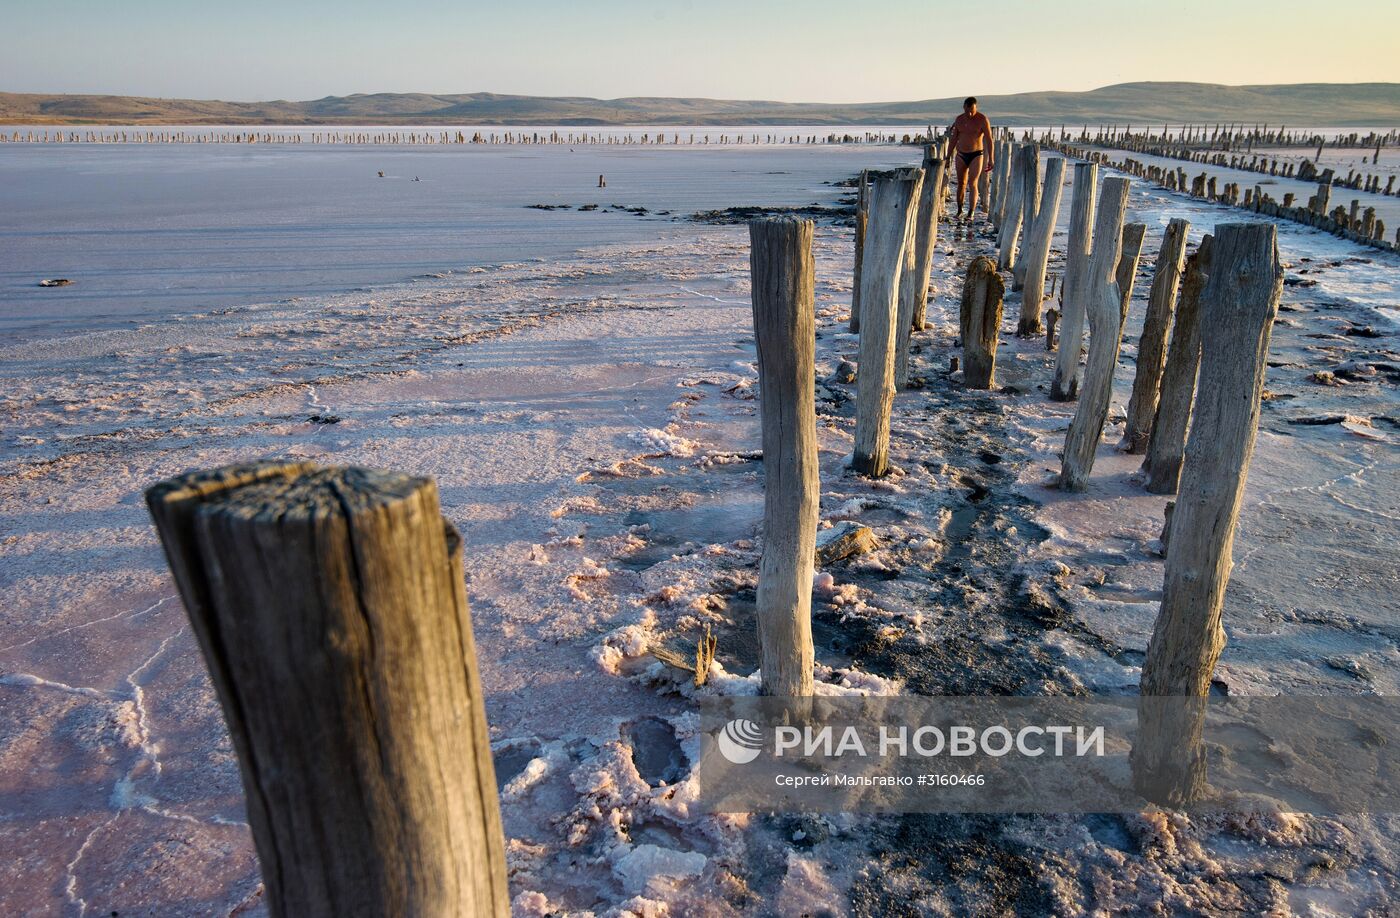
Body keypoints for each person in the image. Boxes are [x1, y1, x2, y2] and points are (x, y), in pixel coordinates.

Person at [948, 97, 994, 223]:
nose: (970, 114)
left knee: (972, 183)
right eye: (967, 110)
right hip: (961, 154)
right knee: (961, 183)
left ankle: (971, 212)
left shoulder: (982, 119)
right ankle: (959, 210)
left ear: (976, 108)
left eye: (972, 111)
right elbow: (953, 139)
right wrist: (948, 156)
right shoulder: (959, 120)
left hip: (976, 154)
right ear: (964, 107)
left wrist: (991, 159)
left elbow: (989, 140)